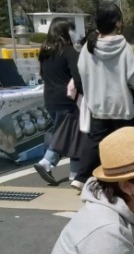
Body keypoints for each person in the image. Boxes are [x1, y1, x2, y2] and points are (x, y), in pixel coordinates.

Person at [72, 2, 134, 192]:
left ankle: (80, 177)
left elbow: (81, 72)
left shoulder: (89, 47)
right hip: (121, 105)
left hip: (98, 104)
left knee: (95, 141)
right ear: (117, 22)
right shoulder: (124, 46)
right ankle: (127, 176)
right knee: (128, 140)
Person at [33, 18, 82, 186]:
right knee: (73, 135)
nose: (73, 33)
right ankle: (48, 162)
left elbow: (43, 74)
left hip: (50, 98)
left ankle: (75, 172)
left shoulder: (45, 52)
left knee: (67, 134)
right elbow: (78, 76)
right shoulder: (69, 52)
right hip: (68, 100)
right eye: (71, 30)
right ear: (64, 32)